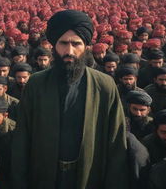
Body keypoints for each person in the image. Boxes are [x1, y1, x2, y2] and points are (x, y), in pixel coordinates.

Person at [11, 10, 128, 189]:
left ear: (86, 46)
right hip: (44, 177)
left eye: (76, 44)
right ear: (53, 45)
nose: (69, 51)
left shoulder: (104, 85)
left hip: (89, 177)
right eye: (63, 43)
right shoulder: (36, 84)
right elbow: (22, 138)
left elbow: (116, 143)